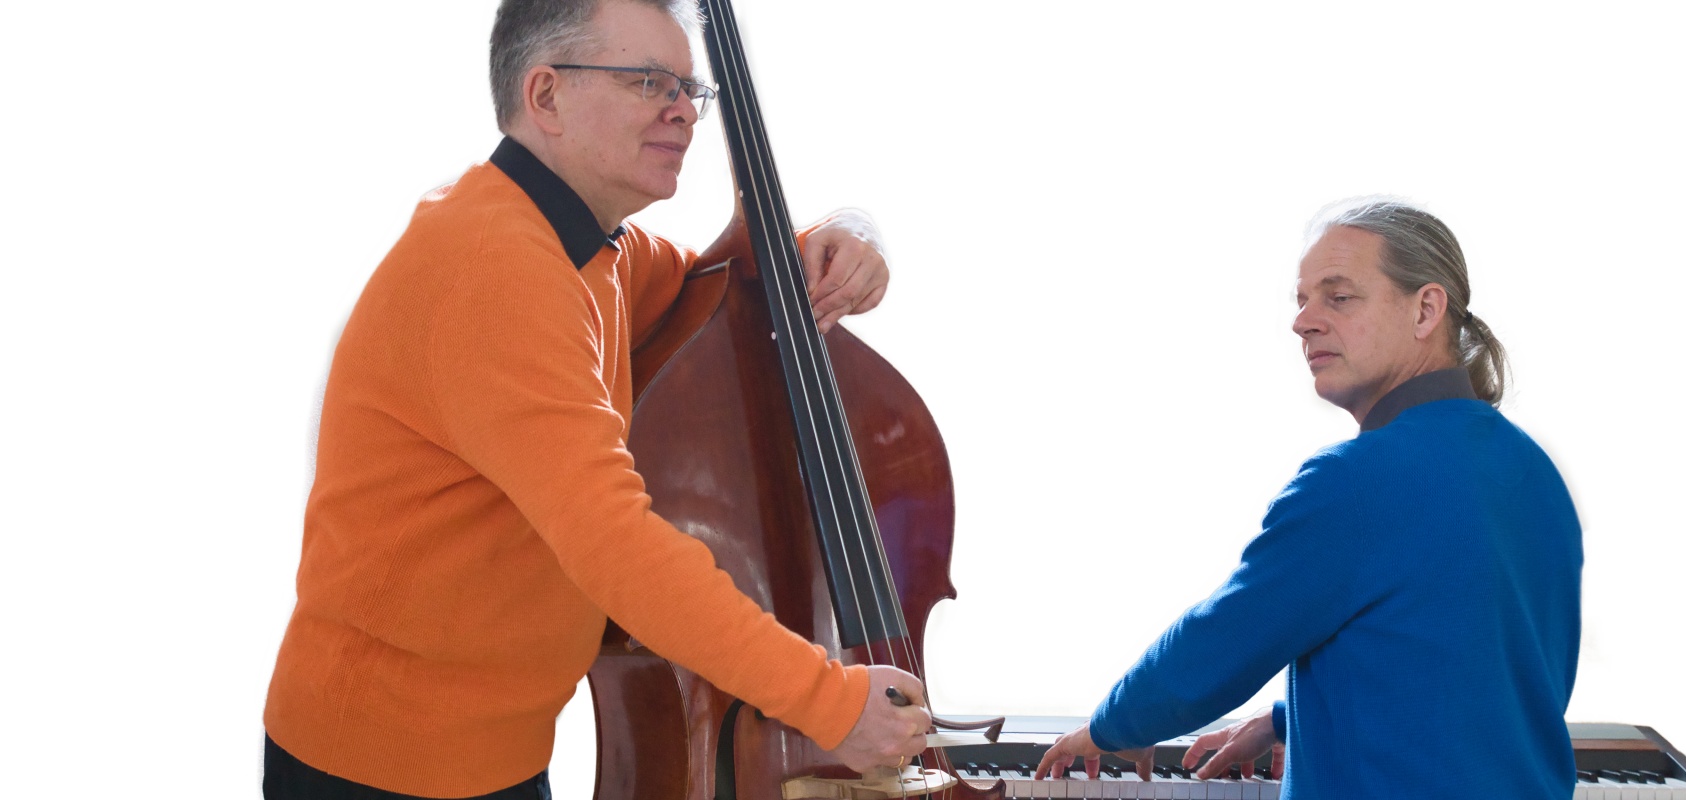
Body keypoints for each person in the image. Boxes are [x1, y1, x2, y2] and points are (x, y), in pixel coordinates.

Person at [261, 1, 928, 797]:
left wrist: (852, 232)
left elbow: (717, 284)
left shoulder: (592, 245)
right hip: (381, 762)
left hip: (493, 754)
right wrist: (829, 700)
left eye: (686, 85)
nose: (682, 108)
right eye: (648, 81)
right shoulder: (494, 267)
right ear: (545, 97)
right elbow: (617, 544)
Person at [1036, 198, 1583, 798]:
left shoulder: (1357, 480)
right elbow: (1472, 677)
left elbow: (1218, 646)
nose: (1304, 321)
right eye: (1301, 300)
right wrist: (1285, 721)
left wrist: (1111, 727)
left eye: (1338, 296)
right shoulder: (1533, 472)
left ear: (1426, 309)